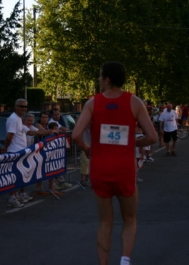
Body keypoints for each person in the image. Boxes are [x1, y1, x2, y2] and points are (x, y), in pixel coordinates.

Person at [72, 62, 157, 265]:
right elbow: (153, 137)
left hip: (100, 169)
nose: (99, 80)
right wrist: (135, 142)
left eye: (100, 77)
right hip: (124, 170)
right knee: (129, 218)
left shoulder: (93, 103)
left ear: (107, 80)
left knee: (105, 221)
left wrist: (87, 149)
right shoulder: (135, 102)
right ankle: (125, 261)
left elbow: (75, 134)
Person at [1, 99, 55, 208]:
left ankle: (16, 195)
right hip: (15, 151)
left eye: (25, 107)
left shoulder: (18, 119)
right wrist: (5, 148)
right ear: (16, 107)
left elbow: (29, 131)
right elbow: (9, 136)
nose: (24, 109)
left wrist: (48, 132)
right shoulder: (13, 119)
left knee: (19, 175)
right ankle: (12, 197)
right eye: (21, 106)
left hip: (21, 150)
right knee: (15, 175)